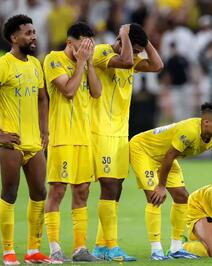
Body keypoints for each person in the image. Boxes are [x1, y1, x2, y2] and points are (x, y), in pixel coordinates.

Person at [129, 102, 212, 260]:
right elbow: (169, 156)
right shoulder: (189, 131)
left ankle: (176, 248)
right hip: (144, 151)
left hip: (165, 157)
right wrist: (161, 186)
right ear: (206, 122)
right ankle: (156, 250)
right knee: (155, 197)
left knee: (182, 197)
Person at [91, 23, 163, 261]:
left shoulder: (131, 60)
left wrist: (145, 40)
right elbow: (123, 61)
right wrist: (124, 34)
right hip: (100, 131)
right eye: (136, 49)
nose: (138, 55)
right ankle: (111, 247)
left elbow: (157, 65)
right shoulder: (102, 52)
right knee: (109, 185)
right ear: (121, 42)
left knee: (117, 187)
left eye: (140, 51)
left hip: (120, 133)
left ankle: (101, 245)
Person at [43, 22, 102, 263]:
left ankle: (80, 249)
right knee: (57, 191)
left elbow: (96, 92)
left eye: (90, 45)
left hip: (84, 138)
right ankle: (55, 248)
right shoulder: (53, 59)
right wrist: (80, 63)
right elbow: (68, 91)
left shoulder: (85, 62)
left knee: (83, 191)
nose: (87, 49)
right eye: (83, 45)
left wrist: (87, 64)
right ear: (70, 43)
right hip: (62, 138)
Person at [0, 14, 50, 265]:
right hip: (10, 142)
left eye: (34, 32)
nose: (34, 37)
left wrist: (45, 130)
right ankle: (8, 251)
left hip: (34, 142)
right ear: (14, 37)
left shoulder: (35, 65)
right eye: (28, 33)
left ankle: (32, 251)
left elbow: (42, 99)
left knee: (40, 192)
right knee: (9, 192)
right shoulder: (3, 65)